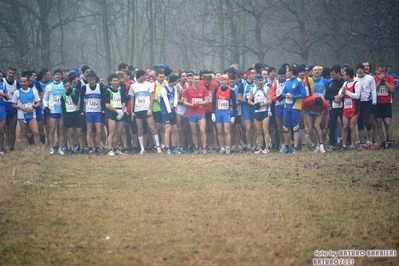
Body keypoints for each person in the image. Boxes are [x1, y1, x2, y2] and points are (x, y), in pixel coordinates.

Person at [129, 70, 162, 154]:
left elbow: (151, 97)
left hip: (147, 109)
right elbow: (132, 99)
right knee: (140, 129)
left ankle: (158, 147)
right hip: (138, 110)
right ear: (140, 76)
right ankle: (142, 148)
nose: (146, 77)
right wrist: (132, 111)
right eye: (144, 75)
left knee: (152, 128)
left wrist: (150, 109)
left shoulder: (148, 85)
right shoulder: (133, 86)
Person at [280, 66, 306, 154]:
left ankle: (295, 146)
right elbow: (282, 93)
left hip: (296, 107)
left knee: (295, 127)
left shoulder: (299, 81)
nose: (286, 73)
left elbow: (304, 94)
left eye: (287, 71)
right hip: (287, 106)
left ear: (291, 72)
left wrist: (293, 97)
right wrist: (286, 95)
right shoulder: (287, 82)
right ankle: (287, 146)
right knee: (285, 127)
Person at [11, 76, 41, 149]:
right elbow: (12, 104)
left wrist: (33, 107)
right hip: (22, 116)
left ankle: (37, 149)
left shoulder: (33, 91)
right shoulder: (17, 92)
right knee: (24, 133)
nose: (23, 83)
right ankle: (26, 149)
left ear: (28, 82)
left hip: (32, 115)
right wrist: (21, 107)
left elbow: (38, 102)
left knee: (36, 132)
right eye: (21, 81)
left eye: (24, 81)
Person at [80, 70, 107, 154]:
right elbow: (81, 100)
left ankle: (96, 147)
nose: (92, 82)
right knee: (89, 130)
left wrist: (103, 110)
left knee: (99, 131)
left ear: (95, 79)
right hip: (89, 112)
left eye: (93, 80)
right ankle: (90, 148)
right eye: (90, 80)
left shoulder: (100, 87)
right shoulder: (84, 87)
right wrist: (81, 111)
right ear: (87, 80)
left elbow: (103, 99)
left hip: (98, 112)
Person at [182, 73, 209, 154]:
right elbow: (184, 102)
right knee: (194, 131)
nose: (197, 81)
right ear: (192, 80)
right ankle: (196, 148)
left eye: (198, 79)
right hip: (191, 113)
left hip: (201, 112)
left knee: (202, 130)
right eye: (196, 79)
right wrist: (192, 105)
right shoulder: (187, 90)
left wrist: (200, 104)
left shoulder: (203, 89)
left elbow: (207, 100)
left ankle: (204, 148)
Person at [212, 74, 237, 154]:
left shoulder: (231, 91)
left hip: (226, 112)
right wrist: (213, 113)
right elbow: (213, 101)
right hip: (218, 111)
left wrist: (233, 115)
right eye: (220, 80)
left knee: (226, 131)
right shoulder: (216, 90)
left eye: (223, 80)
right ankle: (222, 147)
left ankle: (228, 148)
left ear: (227, 81)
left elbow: (234, 104)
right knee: (219, 131)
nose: (221, 82)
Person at [43, 69, 66, 155]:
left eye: (60, 74)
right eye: (56, 74)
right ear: (53, 75)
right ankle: (51, 148)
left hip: (61, 111)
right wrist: (46, 107)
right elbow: (44, 98)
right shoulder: (49, 86)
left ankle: (60, 148)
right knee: (51, 130)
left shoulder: (64, 85)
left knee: (61, 130)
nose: (58, 76)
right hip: (52, 111)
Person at [248, 74, 272, 154]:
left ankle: (267, 147)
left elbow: (270, 100)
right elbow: (249, 100)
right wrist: (254, 104)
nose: (261, 82)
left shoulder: (267, 88)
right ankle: (260, 147)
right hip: (257, 112)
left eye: (262, 80)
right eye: (260, 80)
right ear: (256, 81)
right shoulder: (253, 89)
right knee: (259, 130)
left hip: (265, 111)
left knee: (265, 129)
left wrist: (261, 105)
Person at [61, 71, 84, 153]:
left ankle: (81, 148)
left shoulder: (76, 91)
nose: (67, 87)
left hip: (77, 113)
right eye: (66, 86)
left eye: (69, 85)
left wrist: (71, 93)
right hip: (69, 114)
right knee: (70, 132)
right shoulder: (63, 95)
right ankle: (72, 148)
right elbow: (63, 107)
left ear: (71, 84)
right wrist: (64, 116)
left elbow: (76, 101)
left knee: (79, 132)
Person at [355, 63, 376, 151]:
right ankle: (362, 143)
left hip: (367, 102)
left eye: (361, 69)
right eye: (358, 69)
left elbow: (373, 90)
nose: (360, 71)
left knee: (368, 123)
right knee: (360, 124)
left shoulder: (370, 78)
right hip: (358, 103)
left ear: (364, 70)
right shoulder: (355, 79)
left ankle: (371, 142)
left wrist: (374, 103)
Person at [338, 68, 361, 150]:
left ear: (348, 75)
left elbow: (357, 96)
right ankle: (344, 144)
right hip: (346, 107)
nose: (343, 76)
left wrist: (346, 92)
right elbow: (340, 94)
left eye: (344, 75)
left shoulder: (356, 84)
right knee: (344, 126)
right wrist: (342, 93)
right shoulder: (345, 83)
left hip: (354, 108)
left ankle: (352, 144)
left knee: (352, 126)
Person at [104, 74, 126, 156]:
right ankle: (110, 149)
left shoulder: (120, 90)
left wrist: (122, 111)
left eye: (117, 80)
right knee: (112, 131)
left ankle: (116, 148)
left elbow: (123, 101)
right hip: (112, 112)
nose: (116, 82)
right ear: (110, 82)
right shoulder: (108, 91)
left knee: (119, 131)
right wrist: (117, 111)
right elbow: (107, 104)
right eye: (114, 81)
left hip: (120, 112)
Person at [374, 65, 395, 149]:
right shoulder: (374, 78)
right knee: (378, 122)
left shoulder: (389, 78)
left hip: (387, 103)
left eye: (384, 72)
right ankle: (382, 142)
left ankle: (389, 141)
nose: (382, 73)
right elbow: (374, 89)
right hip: (377, 103)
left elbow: (392, 89)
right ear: (377, 71)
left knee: (388, 122)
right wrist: (379, 81)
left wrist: (385, 81)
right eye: (380, 72)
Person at [325, 65, 345, 151]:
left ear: (338, 73)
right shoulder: (330, 83)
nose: (332, 76)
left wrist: (340, 98)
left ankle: (346, 142)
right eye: (331, 75)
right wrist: (334, 97)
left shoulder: (344, 82)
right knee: (332, 125)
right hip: (333, 107)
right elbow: (326, 95)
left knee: (344, 125)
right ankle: (333, 143)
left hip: (343, 107)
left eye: (334, 74)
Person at [159, 74, 179, 154]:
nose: (176, 83)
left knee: (175, 129)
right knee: (168, 129)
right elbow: (166, 101)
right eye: (176, 81)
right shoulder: (164, 89)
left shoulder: (174, 88)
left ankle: (173, 146)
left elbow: (175, 98)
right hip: (165, 111)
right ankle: (167, 148)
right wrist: (169, 111)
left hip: (172, 109)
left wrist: (174, 106)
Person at [237, 68, 257, 152]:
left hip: (255, 107)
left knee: (255, 127)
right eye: (252, 73)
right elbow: (238, 98)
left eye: (255, 73)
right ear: (248, 74)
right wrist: (247, 101)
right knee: (248, 127)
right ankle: (248, 145)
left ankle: (254, 145)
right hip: (246, 107)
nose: (254, 74)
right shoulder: (243, 84)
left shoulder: (256, 84)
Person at [2, 66, 20, 151]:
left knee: (13, 129)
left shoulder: (16, 83)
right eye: (10, 73)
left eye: (13, 73)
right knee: (5, 129)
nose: (11, 75)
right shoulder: (3, 81)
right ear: (7, 72)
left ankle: (12, 147)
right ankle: (5, 146)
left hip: (13, 106)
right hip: (4, 106)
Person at [270, 68, 287, 152]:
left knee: (286, 127)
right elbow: (271, 96)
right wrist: (277, 98)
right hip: (278, 106)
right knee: (280, 128)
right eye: (281, 76)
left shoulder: (288, 82)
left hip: (287, 106)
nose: (282, 77)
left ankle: (288, 143)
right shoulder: (275, 83)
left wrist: (284, 96)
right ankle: (283, 144)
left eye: (284, 76)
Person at [0, 79, 10, 155]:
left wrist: (3, 95)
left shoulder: (3, 84)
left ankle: (1, 148)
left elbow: (7, 97)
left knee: (1, 130)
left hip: (1, 107)